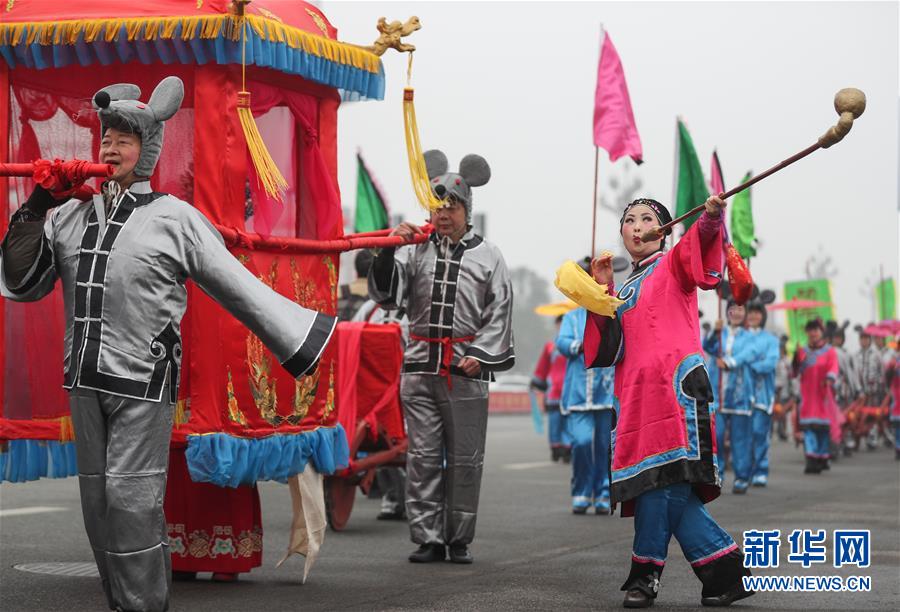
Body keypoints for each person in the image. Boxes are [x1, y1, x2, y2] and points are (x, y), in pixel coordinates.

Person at [0, 78, 336, 612]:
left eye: (124, 140)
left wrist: (300, 339)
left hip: (142, 383)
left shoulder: (174, 218)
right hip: (83, 381)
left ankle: (143, 606)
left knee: (131, 504)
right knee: (97, 507)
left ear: (148, 150)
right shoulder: (69, 216)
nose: (110, 148)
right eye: (105, 138)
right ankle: (122, 602)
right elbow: (21, 283)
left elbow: (236, 285)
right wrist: (40, 201)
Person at [582, 196, 752, 608]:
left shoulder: (674, 262)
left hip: (675, 389)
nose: (636, 227)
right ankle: (726, 572)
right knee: (656, 482)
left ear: (664, 229)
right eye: (629, 221)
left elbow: (699, 248)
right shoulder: (623, 288)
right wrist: (600, 288)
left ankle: (645, 574)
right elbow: (606, 350)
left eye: (646, 219)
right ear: (621, 233)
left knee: (666, 479)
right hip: (637, 398)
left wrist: (710, 220)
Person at [368, 150, 514, 564]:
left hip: (466, 372)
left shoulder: (490, 256)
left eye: (452, 205)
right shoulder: (415, 250)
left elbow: (499, 310)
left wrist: (481, 356)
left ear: (468, 209)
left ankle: (459, 538)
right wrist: (385, 250)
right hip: (418, 368)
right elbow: (388, 296)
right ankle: (428, 538)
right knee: (423, 459)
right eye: (438, 205)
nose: (444, 213)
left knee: (466, 460)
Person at [351, 284, 410, 521]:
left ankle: (411, 500)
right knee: (383, 438)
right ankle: (392, 498)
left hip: (407, 381)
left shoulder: (417, 308)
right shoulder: (369, 308)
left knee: (403, 440)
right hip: (374, 386)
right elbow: (352, 335)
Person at [556, 296, 615, 515]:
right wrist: (579, 345)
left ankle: (603, 493)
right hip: (578, 393)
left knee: (604, 447)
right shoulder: (572, 317)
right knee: (580, 442)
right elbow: (561, 343)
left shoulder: (611, 316)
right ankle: (581, 491)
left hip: (605, 392)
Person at [725, 302, 779, 487]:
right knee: (743, 435)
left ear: (763, 316)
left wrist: (748, 363)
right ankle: (745, 471)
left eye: (758, 313)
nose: (754, 316)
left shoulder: (770, 339)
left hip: (762, 394)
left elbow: (770, 363)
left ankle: (761, 469)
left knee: (758, 431)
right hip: (742, 394)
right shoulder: (740, 335)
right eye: (752, 313)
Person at [704, 301, 753, 493]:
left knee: (739, 439)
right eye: (733, 309)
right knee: (716, 435)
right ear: (727, 312)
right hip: (718, 395)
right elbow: (707, 346)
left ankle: (741, 477)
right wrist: (713, 332)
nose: (737, 312)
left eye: (741, 308)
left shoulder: (749, 337)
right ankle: (719, 473)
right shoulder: (720, 333)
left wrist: (730, 362)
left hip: (740, 396)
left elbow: (749, 354)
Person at [792, 319, 839, 474]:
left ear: (821, 332)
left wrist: (829, 378)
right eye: (810, 330)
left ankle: (822, 457)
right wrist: (795, 358)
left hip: (823, 395)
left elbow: (834, 367)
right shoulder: (803, 351)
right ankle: (811, 459)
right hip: (807, 396)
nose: (813, 333)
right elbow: (795, 372)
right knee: (809, 429)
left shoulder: (830, 351)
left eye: (816, 330)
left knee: (823, 431)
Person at [530, 315, 572, 463]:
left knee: (569, 422)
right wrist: (537, 382)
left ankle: (568, 449)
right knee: (555, 422)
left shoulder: (575, 344)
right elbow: (542, 367)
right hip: (554, 391)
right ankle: (555, 448)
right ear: (556, 326)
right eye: (559, 324)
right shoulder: (550, 346)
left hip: (571, 390)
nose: (561, 327)